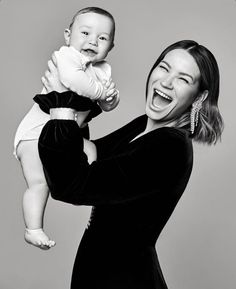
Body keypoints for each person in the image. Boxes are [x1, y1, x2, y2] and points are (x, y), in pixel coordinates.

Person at [36, 40, 223, 288]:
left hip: (124, 278)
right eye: (164, 68)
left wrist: (61, 109)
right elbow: (91, 153)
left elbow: (71, 183)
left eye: (183, 79)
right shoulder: (144, 124)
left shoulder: (169, 147)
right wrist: (78, 95)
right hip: (100, 271)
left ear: (199, 97)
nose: (166, 81)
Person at [13, 7, 119, 250]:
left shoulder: (102, 69)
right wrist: (101, 92)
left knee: (91, 153)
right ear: (68, 35)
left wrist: (110, 98)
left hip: (67, 135)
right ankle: (33, 229)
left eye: (103, 38)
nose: (93, 41)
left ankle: (85, 184)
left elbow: (107, 101)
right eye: (85, 33)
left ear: (111, 47)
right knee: (39, 183)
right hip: (35, 133)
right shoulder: (67, 57)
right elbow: (74, 81)